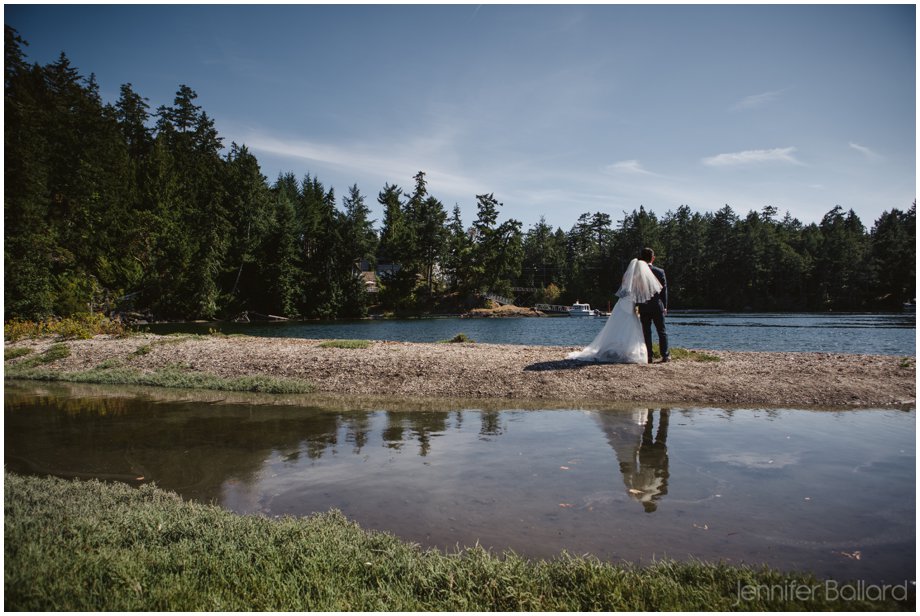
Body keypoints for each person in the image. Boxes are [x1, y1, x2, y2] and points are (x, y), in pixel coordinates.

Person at [567, 258, 662, 363]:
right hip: (629, 305)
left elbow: (624, 290)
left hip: (622, 303)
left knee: (617, 325)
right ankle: (625, 350)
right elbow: (640, 294)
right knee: (629, 327)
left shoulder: (626, 277)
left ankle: (615, 348)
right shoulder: (639, 279)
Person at [637, 247, 669, 363]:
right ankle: (665, 355)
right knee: (662, 331)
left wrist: (636, 304)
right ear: (653, 258)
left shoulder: (638, 273)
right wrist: (665, 306)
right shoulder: (660, 272)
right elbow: (664, 291)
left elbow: (636, 290)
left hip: (644, 306)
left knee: (646, 332)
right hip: (657, 305)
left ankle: (649, 356)